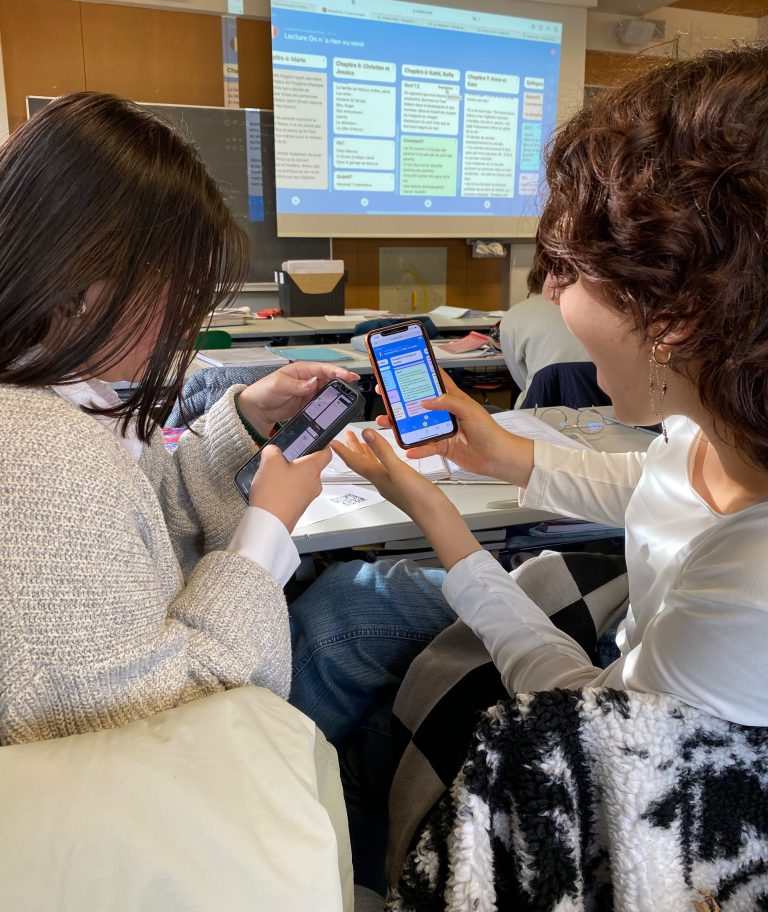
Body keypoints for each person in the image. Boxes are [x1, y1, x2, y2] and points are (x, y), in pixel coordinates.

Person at [288, 44, 768, 887]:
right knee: (347, 613)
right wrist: (503, 454)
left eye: (571, 272)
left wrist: (439, 523)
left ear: (679, 315)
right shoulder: (719, 420)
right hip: (627, 640)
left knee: (345, 641)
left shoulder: (750, 592)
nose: (548, 294)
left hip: (617, 752)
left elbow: (587, 721)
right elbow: (662, 487)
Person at [0, 91, 358, 745]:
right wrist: (267, 527)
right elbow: (165, 719)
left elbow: (142, 518)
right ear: (83, 277)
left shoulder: (63, 395)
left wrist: (244, 417)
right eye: (182, 290)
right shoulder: (42, 460)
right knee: (378, 608)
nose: (190, 320)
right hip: (184, 760)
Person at [499, 252, 589, 406]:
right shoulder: (609, 314)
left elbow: (521, 378)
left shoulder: (515, 316)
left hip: (538, 410)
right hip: (606, 411)